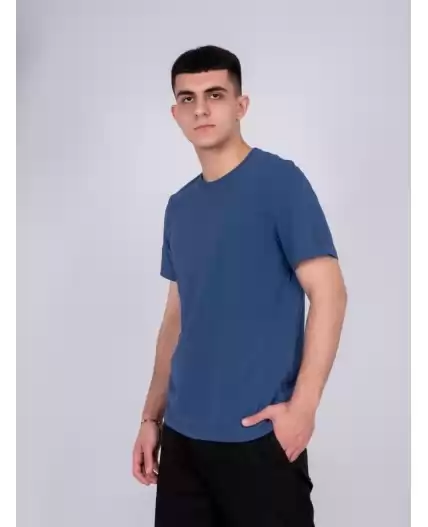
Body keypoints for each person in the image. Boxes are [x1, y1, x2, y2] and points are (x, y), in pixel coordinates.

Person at [132, 45, 347, 527]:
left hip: (258, 438)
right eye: (187, 98)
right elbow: (176, 319)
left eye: (215, 94)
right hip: (182, 440)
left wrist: (303, 409)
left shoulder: (279, 182)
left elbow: (330, 294)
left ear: (240, 105)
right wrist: (151, 418)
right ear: (175, 113)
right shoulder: (179, 207)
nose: (201, 109)